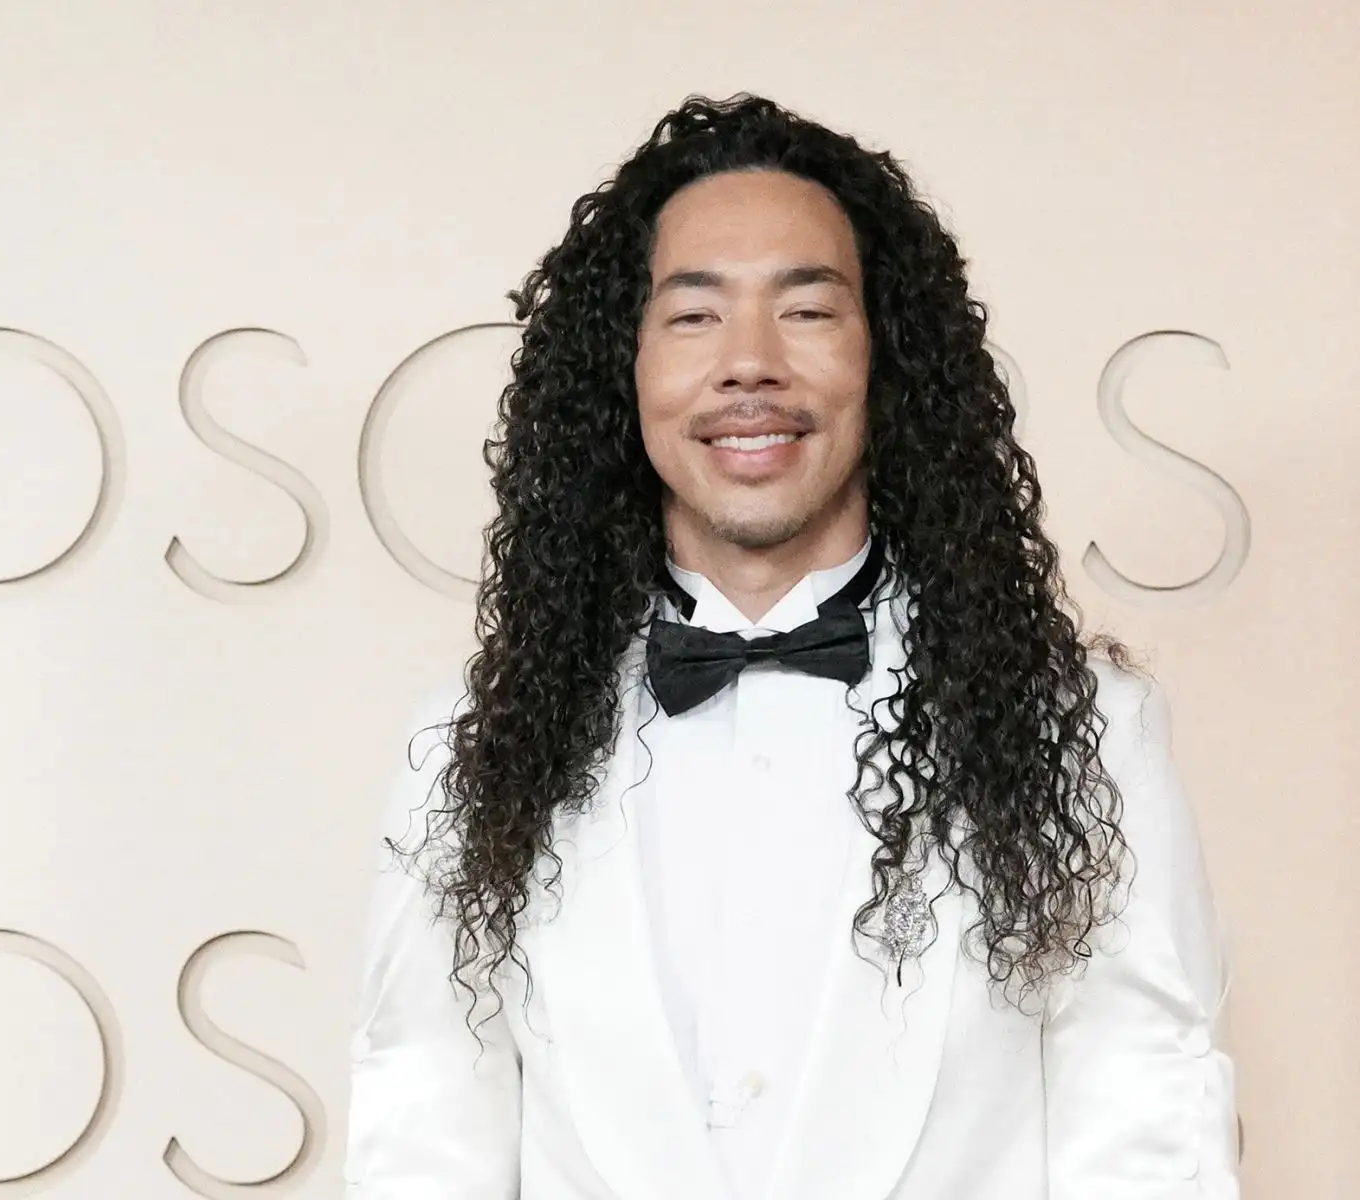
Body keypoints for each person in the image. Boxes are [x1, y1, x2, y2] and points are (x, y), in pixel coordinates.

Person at [343, 93, 1238, 1199]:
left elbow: (1147, 1122)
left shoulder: (1084, 734)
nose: (748, 364)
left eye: (807, 311)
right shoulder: (467, 752)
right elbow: (426, 1123)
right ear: (623, 372)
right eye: (694, 316)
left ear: (887, 360)